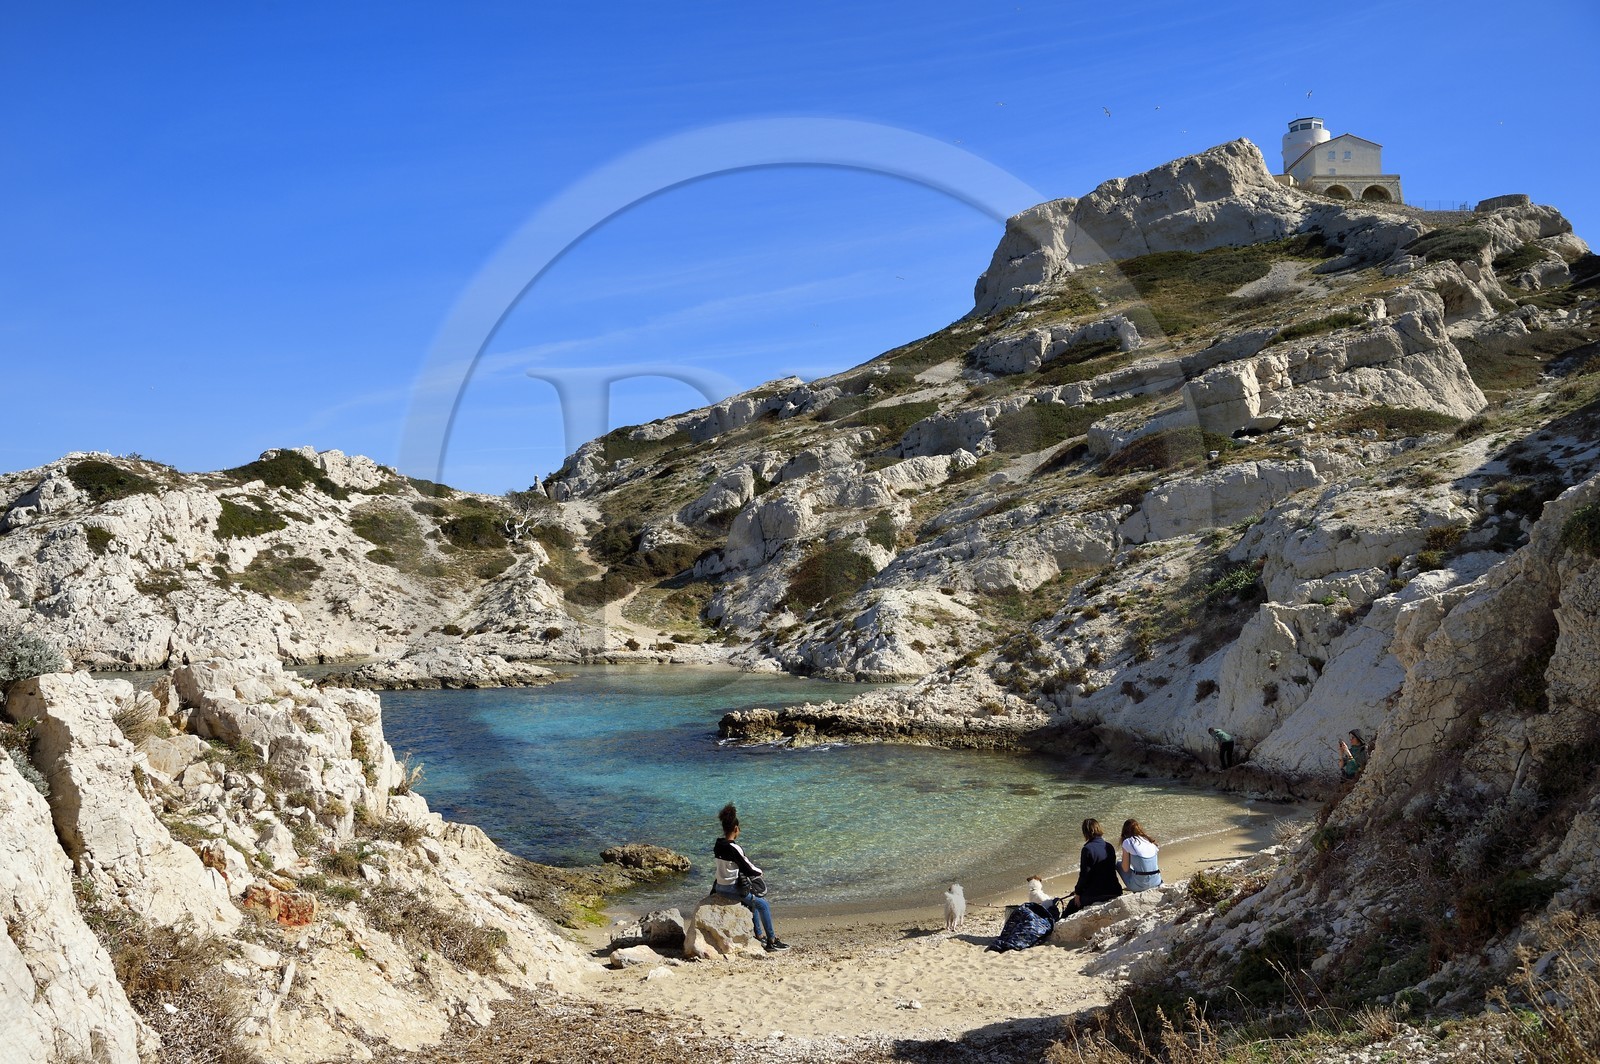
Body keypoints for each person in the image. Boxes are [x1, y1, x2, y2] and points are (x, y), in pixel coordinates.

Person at [712, 803, 789, 951]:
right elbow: (747, 867)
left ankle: (759, 936)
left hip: (719, 887)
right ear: (736, 829)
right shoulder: (734, 848)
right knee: (763, 904)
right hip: (731, 889)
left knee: (752, 902)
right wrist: (759, 872)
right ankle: (772, 940)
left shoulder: (718, 845)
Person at [1062, 818, 1123, 917]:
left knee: (1072, 905)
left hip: (1097, 893)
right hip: (1114, 890)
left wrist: (1077, 892)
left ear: (1085, 832)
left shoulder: (1087, 849)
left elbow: (1084, 875)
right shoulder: (1109, 846)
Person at [1118, 818, 1162, 892]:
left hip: (1140, 886)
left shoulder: (1128, 842)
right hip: (1156, 881)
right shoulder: (1149, 840)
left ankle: (1112, 888)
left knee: (1118, 864)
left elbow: (1125, 869)